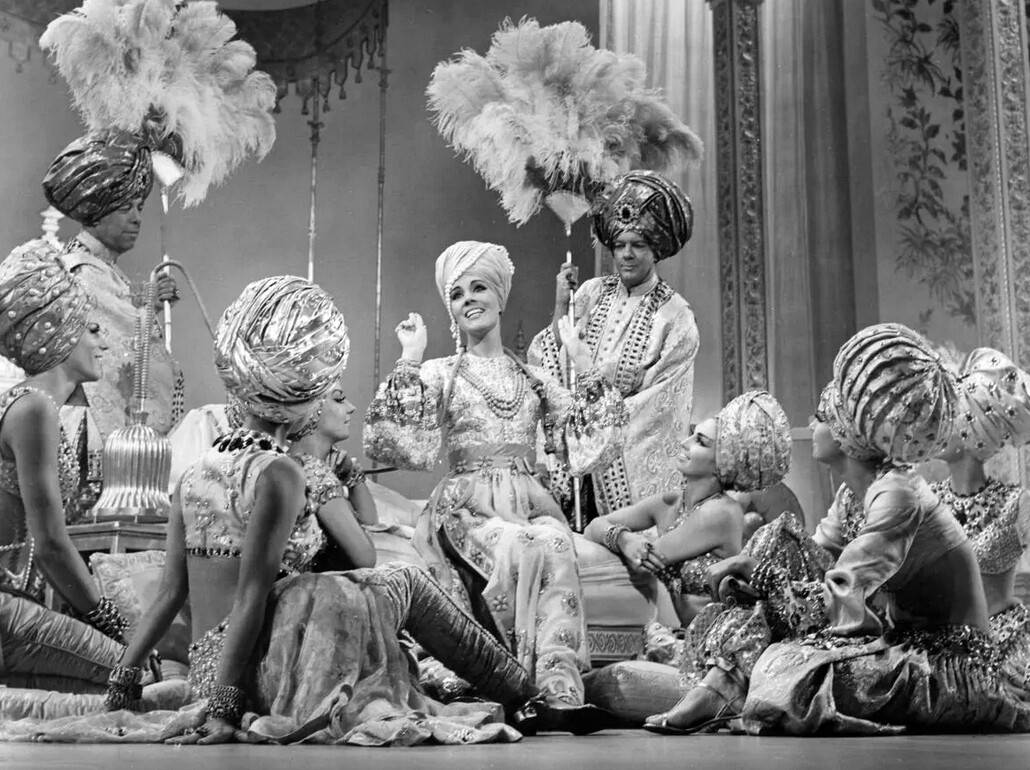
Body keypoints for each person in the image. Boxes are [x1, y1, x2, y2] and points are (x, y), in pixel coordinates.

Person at [74, 275, 605, 746]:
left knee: (382, 581)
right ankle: (526, 694)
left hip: (210, 669)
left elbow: (171, 593)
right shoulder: (280, 473)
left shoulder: (195, 473)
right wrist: (224, 707)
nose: (334, 400)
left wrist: (122, 685)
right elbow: (253, 596)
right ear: (300, 394)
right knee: (402, 580)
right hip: (267, 670)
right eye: (325, 389)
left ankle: (521, 691)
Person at [364, 240, 626, 713]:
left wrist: (583, 362)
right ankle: (515, 684)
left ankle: (558, 685)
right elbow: (396, 441)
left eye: (479, 288)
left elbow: (591, 443)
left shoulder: (533, 377)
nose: (469, 300)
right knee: (523, 545)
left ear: (500, 296)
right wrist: (410, 357)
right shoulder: (441, 373)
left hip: (528, 501)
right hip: (468, 507)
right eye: (457, 294)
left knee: (555, 541)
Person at [732, 323, 1030, 734]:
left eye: (821, 416)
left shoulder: (902, 493)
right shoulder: (860, 495)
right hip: (911, 645)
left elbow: (845, 585)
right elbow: (817, 561)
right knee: (774, 596)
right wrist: (763, 581)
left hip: (957, 662)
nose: (811, 424)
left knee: (794, 667)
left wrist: (770, 586)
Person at [529, 170, 699, 522]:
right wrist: (561, 303)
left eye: (638, 245)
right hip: (572, 458)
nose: (627, 255)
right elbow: (550, 357)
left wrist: (598, 423)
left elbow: (659, 405)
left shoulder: (675, 316)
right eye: (620, 246)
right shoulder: (591, 292)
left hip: (622, 466)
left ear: (656, 248)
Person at [0, 239, 127, 691]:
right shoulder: (34, 408)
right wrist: (115, 623)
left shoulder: (33, 405)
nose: (103, 342)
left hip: (20, 608)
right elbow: (51, 545)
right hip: (7, 611)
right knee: (136, 674)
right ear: (60, 332)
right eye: (92, 329)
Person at [42, 130, 183, 520]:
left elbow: (122, 316)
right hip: (89, 433)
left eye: (139, 207)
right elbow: (113, 344)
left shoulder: (102, 269)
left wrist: (147, 303)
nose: (137, 218)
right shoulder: (84, 271)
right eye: (125, 209)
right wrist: (147, 307)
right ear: (96, 212)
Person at [585, 390, 792, 627]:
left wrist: (623, 541)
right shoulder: (669, 502)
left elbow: (646, 557)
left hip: (712, 635)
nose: (685, 443)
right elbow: (593, 527)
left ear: (723, 463)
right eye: (692, 435)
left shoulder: (723, 512)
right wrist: (624, 539)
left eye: (700, 442)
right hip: (667, 629)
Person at [932, 347, 1030, 697]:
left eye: (949, 420)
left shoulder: (1017, 502)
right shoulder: (928, 500)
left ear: (973, 429)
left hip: (1005, 648)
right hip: (942, 647)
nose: (936, 430)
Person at [284, 378, 378, 573]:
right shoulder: (315, 474)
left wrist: (352, 474)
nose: (351, 408)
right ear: (310, 411)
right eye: (339, 399)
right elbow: (367, 557)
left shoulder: (293, 464)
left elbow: (371, 522)